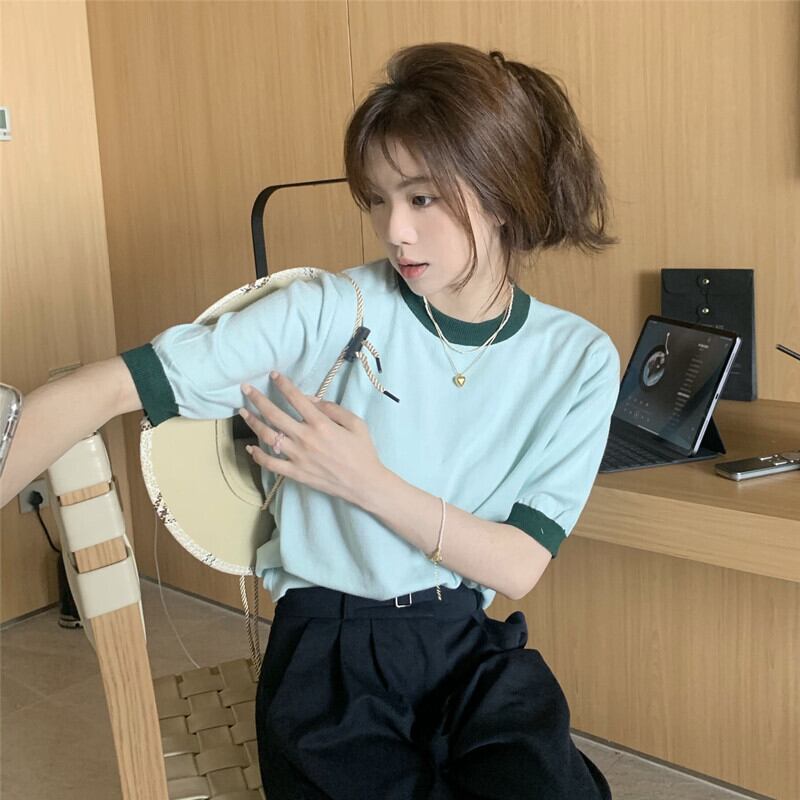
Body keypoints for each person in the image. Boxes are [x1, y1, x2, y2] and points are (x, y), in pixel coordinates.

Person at [1, 42, 620, 799]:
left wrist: (364, 480)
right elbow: (102, 389)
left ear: (499, 190)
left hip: (469, 652)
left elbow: (518, 566)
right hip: (330, 657)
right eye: (378, 200)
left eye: (422, 199)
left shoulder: (578, 357)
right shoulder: (331, 309)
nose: (394, 230)